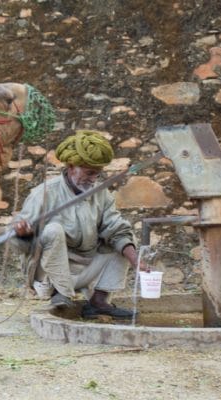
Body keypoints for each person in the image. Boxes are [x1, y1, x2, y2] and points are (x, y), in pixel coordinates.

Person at [11, 130, 141, 319]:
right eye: (89, 173)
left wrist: (135, 259)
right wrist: (23, 234)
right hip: (50, 273)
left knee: (124, 240)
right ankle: (61, 293)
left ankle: (98, 302)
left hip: (85, 267)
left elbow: (115, 226)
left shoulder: (100, 193)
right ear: (72, 167)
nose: (93, 178)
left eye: (97, 174)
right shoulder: (44, 193)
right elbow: (18, 246)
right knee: (53, 229)